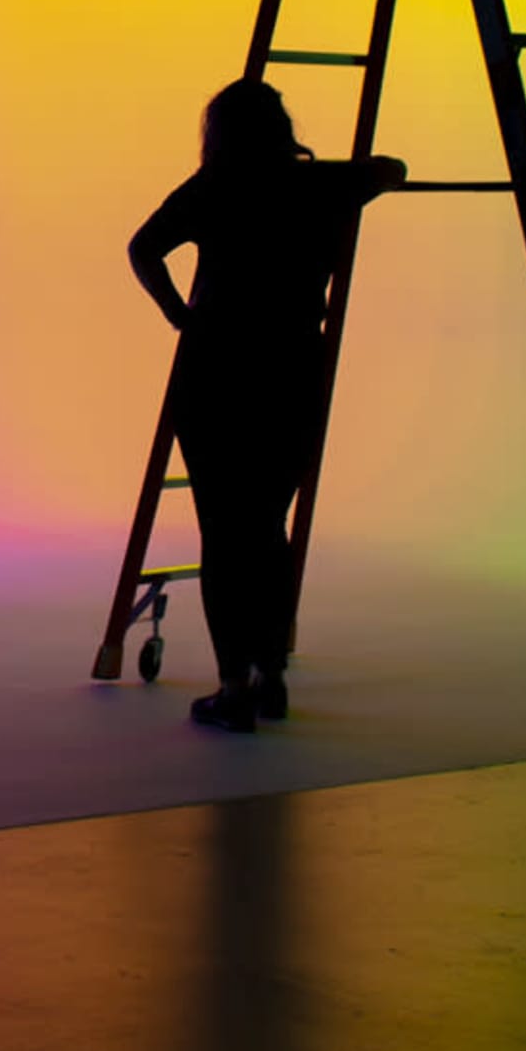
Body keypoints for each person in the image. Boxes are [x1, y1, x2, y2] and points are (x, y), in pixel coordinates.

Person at [128, 79, 405, 733]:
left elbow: (142, 248)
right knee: (268, 528)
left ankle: (234, 690)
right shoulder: (322, 185)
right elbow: (391, 169)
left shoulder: (213, 187)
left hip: (217, 371)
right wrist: (352, 172)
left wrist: (178, 314)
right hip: (291, 369)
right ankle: (269, 678)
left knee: (225, 535)